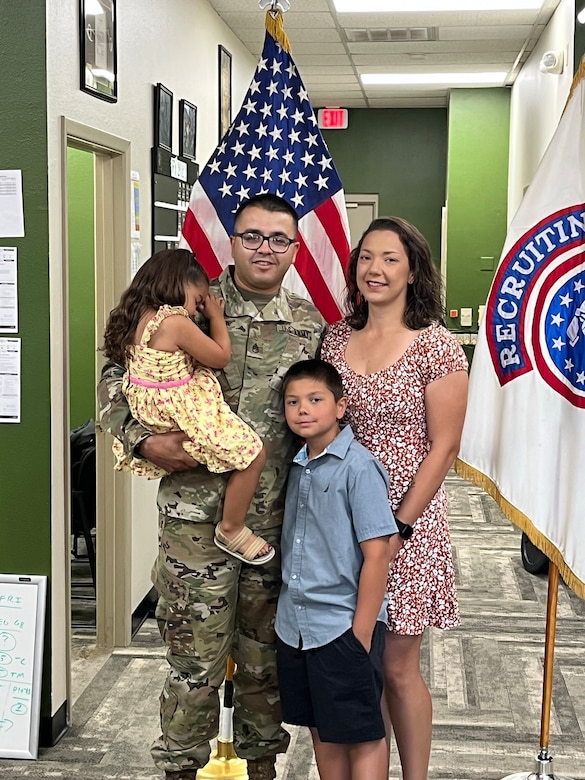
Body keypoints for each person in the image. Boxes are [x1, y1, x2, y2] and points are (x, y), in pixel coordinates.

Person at [97, 194, 325, 780]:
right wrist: (142, 440)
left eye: (279, 239)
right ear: (231, 241)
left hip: (272, 523)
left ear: (296, 249)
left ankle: (262, 766)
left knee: (261, 658)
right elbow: (114, 378)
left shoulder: (311, 327)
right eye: (252, 236)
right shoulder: (189, 305)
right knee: (193, 660)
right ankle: (178, 767)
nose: (265, 249)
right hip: (194, 524)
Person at [320, 217, 468, 780]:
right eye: (366, 258)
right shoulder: (336, 337)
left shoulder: (435, 344)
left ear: (412, 271)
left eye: (390, 259)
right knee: (360, 663)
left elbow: (445, 445)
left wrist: (398, 524)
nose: (375, 270)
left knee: (399, 665)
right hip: (341, 518)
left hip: (409, 523)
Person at [102, 248, 273, 564]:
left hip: (151, 409)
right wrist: (216, 317)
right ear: (179, 284)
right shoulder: (175, 322)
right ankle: (232, 528)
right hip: (180, 407)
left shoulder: (135, 318)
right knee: (254, 453)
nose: (198, 309)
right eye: (197, 300)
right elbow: (220, 357)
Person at [276, 359, 398, 780]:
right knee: (322, 732)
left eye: (315, 399)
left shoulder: (358, 468)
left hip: (342, 627)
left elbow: (379, 555)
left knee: (362, 734)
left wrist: (360, 635)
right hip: (296, 627)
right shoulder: (294, 466)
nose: (303, 410)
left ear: (341, 407)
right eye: (293, 402)